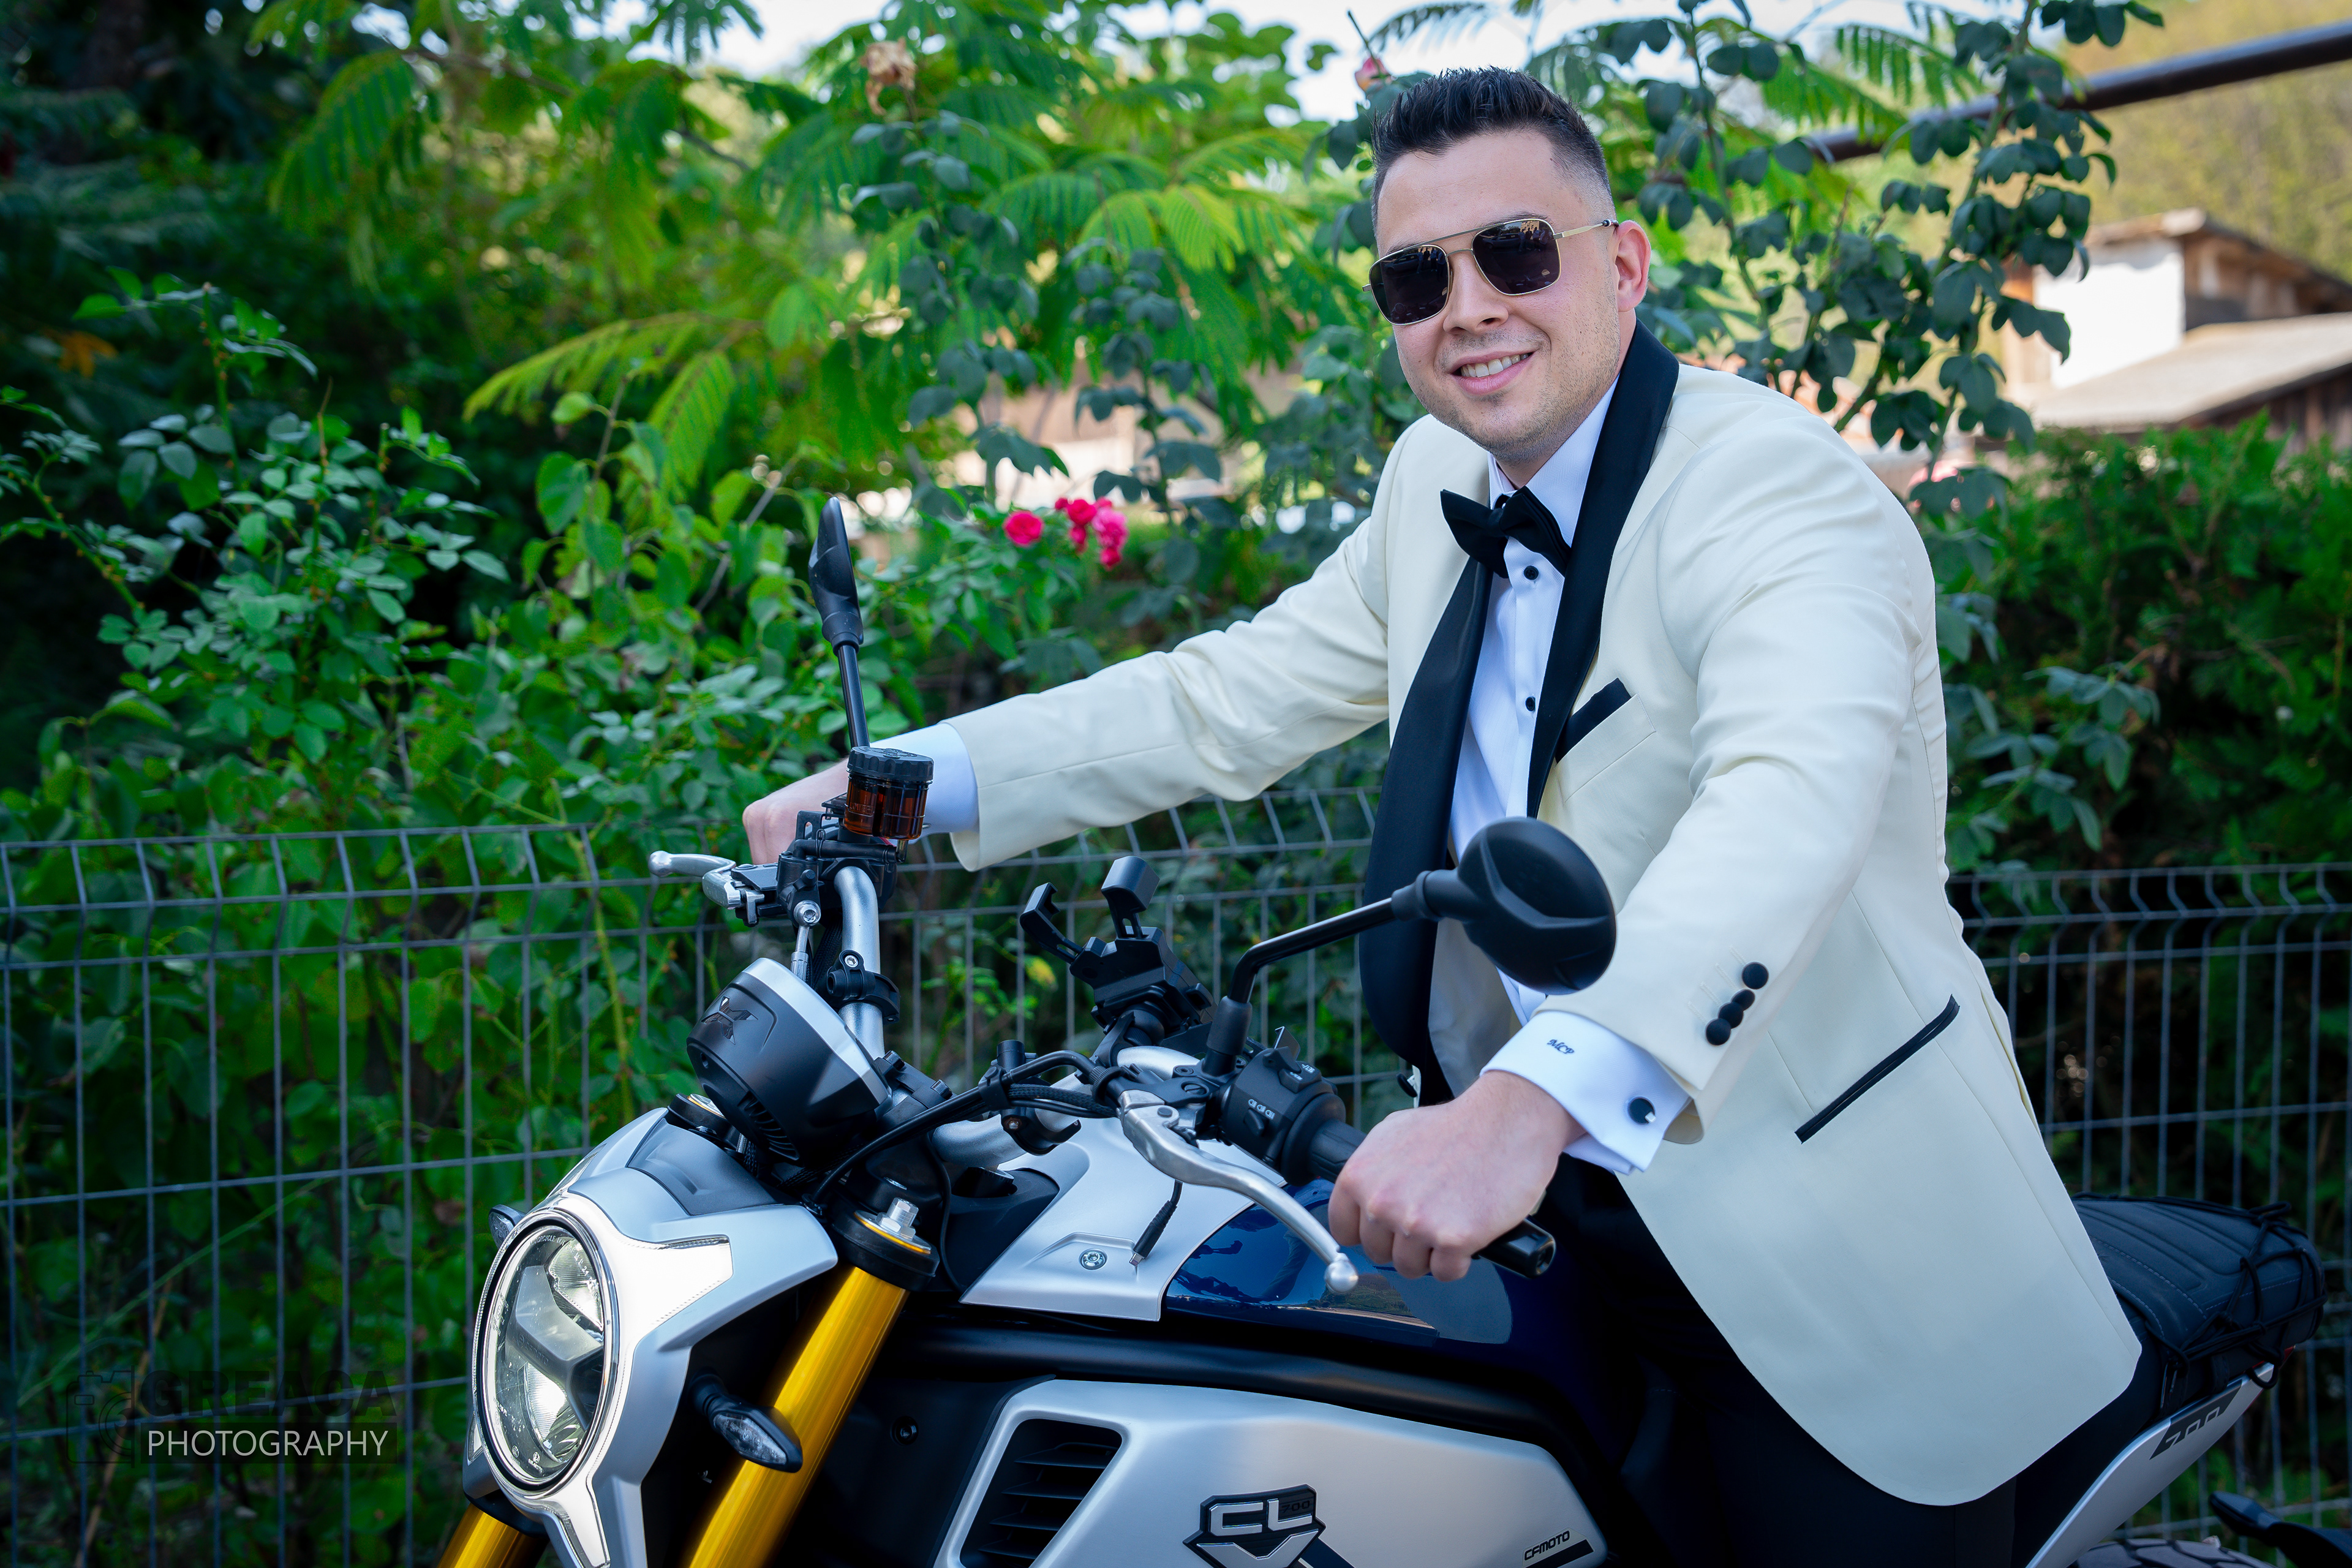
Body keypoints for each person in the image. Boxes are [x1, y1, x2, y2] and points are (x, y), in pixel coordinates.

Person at [745, 67, 2139, 1564]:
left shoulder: (1779, 495)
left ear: (1624, 264)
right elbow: (1223, 696)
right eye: (1418, 277)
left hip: (1828, 1235)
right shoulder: (1435, 479)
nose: (1469, 307)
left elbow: (1781, 810)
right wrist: (891, 789)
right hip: (1542, 1220)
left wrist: (1527, 1102)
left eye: (1516, 253)